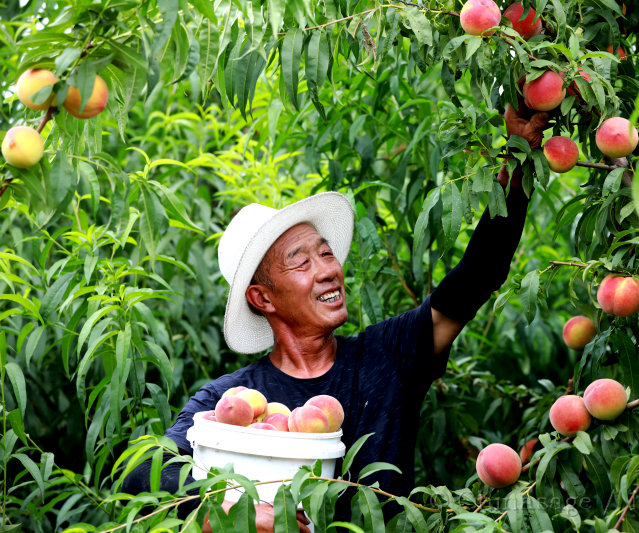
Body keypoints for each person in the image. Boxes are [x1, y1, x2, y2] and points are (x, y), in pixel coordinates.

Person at [120, 104, 549, 532]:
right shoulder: (232, 401)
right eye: (301, 261)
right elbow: (145, 475)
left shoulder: (388, 356)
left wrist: (517, 157)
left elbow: (480, 274)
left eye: (325, 252)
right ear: (262, 298)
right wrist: (232, 510)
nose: (328, 269)